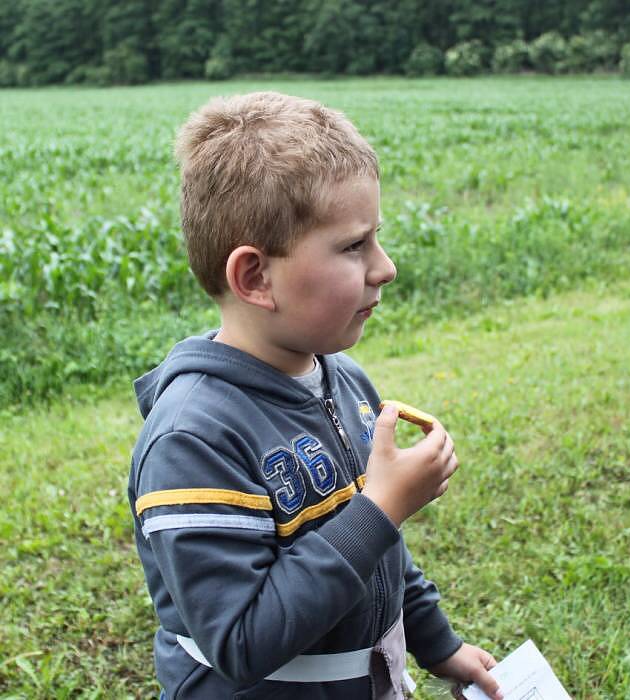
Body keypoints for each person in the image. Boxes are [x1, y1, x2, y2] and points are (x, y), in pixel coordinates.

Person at [128, 91, 502, 700]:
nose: (385, 267)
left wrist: (441, 646)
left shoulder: (343, 379)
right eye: (354, 246)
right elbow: (240, 643)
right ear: (255, 278)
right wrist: (378, 510)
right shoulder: (192, 439)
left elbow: (379, 555)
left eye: (375, 238)